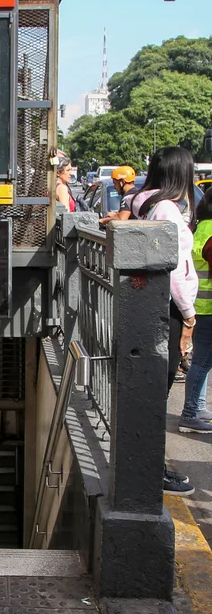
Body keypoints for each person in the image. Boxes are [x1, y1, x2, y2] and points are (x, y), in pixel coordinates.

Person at [128, 147, 197, 495]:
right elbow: (175, 269)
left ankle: (150, 465)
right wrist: (188, 314)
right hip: (168, 306)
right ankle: (150, 468)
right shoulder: (168, 208)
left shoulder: (146, 203)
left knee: (152, 388)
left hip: (151, 304)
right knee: (159, 389)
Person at [179, 186, 212, 434]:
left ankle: (197, 407)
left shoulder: (200, 227)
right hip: (208, 307)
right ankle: (190, 413)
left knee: (201, 359)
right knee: (202, 361)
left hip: (197, 304)